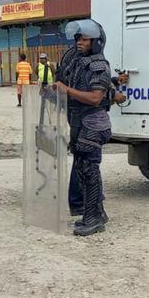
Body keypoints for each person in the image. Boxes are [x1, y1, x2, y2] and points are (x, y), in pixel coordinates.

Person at [53, 19, 113, 236]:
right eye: (78, 38)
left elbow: (96, 98)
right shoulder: (76, 61)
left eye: (85, 39)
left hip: (93, 123)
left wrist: (66, 90)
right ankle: (96, 212)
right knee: (82, 168)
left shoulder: (98, 65)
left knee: (88, 169)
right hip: (79, 122)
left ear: (95, 42)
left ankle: (94, 218)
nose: (80, 42)